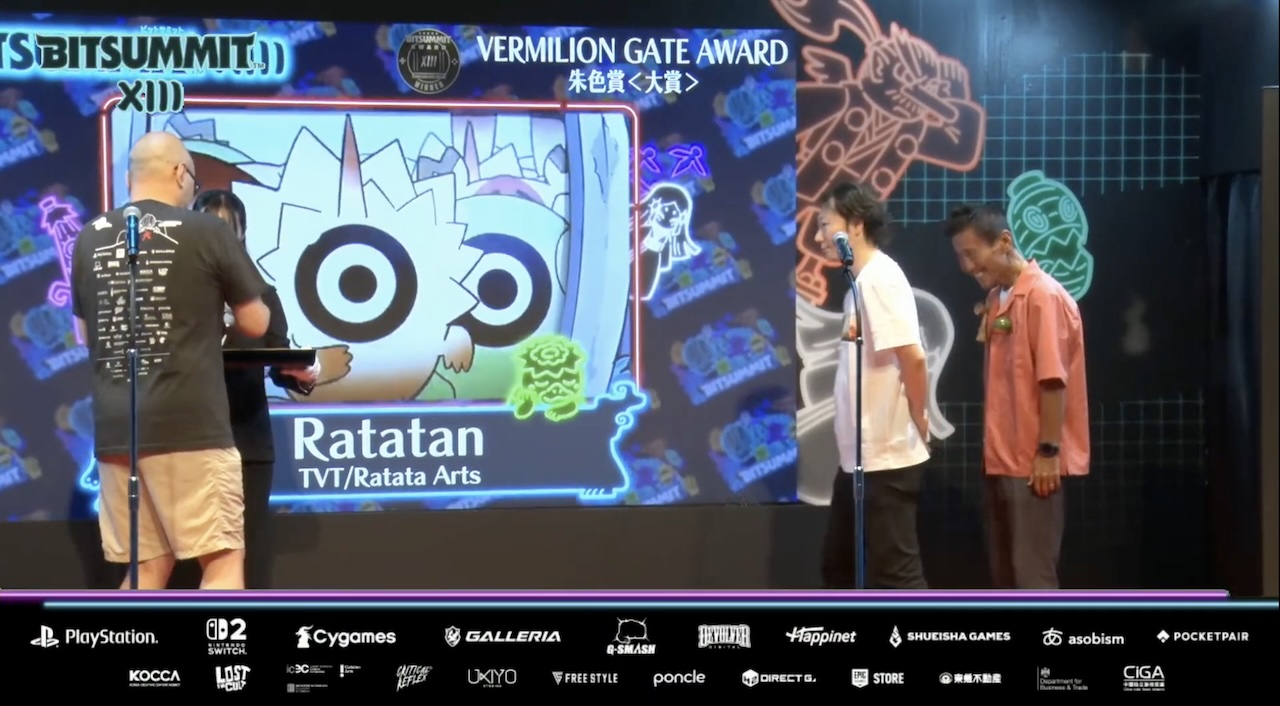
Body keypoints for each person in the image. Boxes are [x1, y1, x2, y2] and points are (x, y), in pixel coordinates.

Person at [70, 132, 271, 589]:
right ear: (181, 174)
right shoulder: (206, 231)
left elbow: (84, 334)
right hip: (189, 424)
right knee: (221, 557)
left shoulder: (88, 238)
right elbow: (255, 321)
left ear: (130, 178)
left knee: (146, 567)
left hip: (118, 430)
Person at [943, 204, 1090, 589]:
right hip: (1000, 461)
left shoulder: (1043, 296)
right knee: (1005, 577)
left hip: (1032, 465)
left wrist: (1048, 452)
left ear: (1004, 242)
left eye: (971, 254)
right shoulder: (998, 299)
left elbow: (1053, 380)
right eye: (959, 257)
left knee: (1032, 577)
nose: (966, 266)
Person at [194, 189, 319, 589]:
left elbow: (281, 363)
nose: (217, 238)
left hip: (247, 444)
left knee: (239, 555)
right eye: (208, 226)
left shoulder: (262, 296)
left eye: (227, 229)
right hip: (187, 443)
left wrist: (302, 374)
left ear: (243, 233)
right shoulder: (177, 296)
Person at [817, 182, 931, 589]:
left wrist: (919, 415)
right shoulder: (860, 283)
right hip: (860, 458)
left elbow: (913, 357)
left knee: (896, 576)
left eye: (825, 224)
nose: (819, 237)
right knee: (840, 567)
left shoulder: (880, 279)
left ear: (856, 225)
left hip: (886, 456)